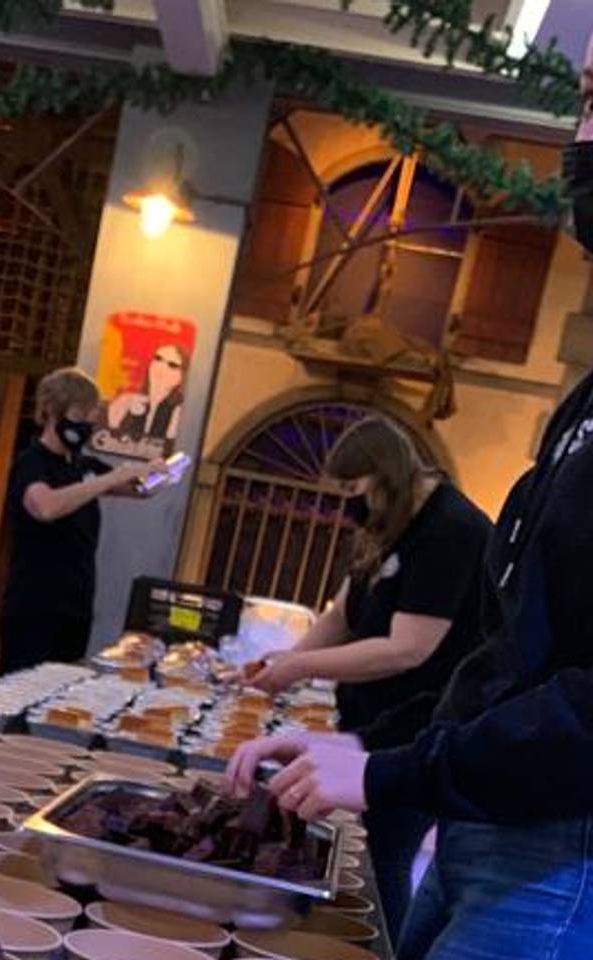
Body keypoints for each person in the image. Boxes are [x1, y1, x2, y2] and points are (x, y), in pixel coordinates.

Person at [225, 44, 593, 959]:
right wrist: (379, 755)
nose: (579, 140)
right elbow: (512, 659)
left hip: (561, 849)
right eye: (585, 103)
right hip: (489, 821)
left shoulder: (447, 528)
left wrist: (393, 771)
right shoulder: (585, 404)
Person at [246, 417, 491, 939]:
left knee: (385, 857)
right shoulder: (387, 524)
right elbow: (342, 613)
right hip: (368, 721)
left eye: (353, 489)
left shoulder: (451, 530)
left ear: (385, 475)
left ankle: (374, 944)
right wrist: (283, 662)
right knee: (364, 847)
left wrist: (301, 667)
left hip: (418, 728)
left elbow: (407, 648)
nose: (349, 505)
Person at [0, 367, 169, 674]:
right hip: (34, 609)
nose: (86, 426)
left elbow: (139, 490)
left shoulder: (83, 465)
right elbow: (45, 507)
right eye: (80, 415)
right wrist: (109, 479)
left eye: (91, 418)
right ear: (53, 412)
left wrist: (160, 473)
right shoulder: (32, 463)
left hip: (75, 608)